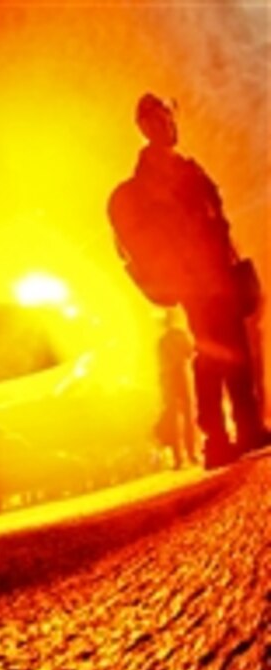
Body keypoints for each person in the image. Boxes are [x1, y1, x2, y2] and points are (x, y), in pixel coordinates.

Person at [108, 93, 267, 468]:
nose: (167, 126)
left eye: (168, 118)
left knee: (237, 352)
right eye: (157, 121)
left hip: (219, 273)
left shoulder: (190, 168)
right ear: (144, 128)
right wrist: (181, 275)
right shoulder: (148, 182)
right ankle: (215, 439)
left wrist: (233, 263)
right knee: (211, 354)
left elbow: (217, 221)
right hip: (194, 281)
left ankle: (248, 426)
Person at [155, 307, 198, 469]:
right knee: (189, 416)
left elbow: (160, 364)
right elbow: (191, 351)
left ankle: (179, 458)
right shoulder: (181, 335)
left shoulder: (162, 341)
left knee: (174, 420)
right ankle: (192, 453)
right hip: (182, 374)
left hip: (168, 379)